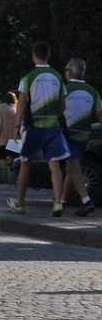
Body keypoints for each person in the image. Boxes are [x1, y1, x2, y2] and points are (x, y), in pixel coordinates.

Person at [12, 40, 72, 216]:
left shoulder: (28, 77)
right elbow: (63, 103)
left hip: (35, 126)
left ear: (33, 56)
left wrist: (17, 125)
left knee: (25, 162)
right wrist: (57, 116)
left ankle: (20, 202)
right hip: (53, 127)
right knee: (55, 165)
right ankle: (57, 202)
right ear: (49, 55)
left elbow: (21, 103)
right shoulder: (57, 76)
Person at [61, 58, 97, 214]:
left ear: (69, 72)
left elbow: (56, 110)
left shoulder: (64, 89)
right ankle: (61, 202)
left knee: (73, 167)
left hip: (67, 134)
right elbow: (100, 114)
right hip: (84, 135)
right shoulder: (92, 91)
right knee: (72, 168)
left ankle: (86, 199)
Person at [0, 90, 21, 163]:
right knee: (14, 159)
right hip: (14, 140)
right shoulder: (18, 109)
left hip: (1, 139)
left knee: (1, 159)